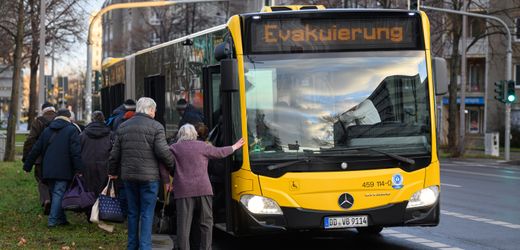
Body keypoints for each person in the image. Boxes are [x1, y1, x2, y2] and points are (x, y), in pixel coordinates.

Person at [109, 97, 174, 250]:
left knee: (132, 212)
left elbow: (114, 154)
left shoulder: (123, 126)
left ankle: (132, 246)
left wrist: (112, 172)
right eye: (154, 110)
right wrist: (173, 167)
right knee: (146, 213)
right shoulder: (156, 127)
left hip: (129, 177)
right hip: (149, 178)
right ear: (150, 109)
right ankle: (145, 247)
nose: (155, 112)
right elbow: (163, 152)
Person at [170, 124, 244, 250]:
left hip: (184, 191)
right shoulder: (203, 146)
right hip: (203, 189)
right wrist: (234, 146)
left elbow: (163, 161)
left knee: (183, 225)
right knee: (206, 223)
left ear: (180, 135)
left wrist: (167, 180)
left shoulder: (174, 148)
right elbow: (219, 153)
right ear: (195, 134)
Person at [23, 109, 84, 227]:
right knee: (59, 193)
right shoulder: (72, 130)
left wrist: (27, 166)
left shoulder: (47, 130)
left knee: (55, 193)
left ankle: (62, 220)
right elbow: (75, 152)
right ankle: (52, 220)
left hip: (48, 168)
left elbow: (36, 149)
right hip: (64, 168)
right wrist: (79, 169)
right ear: (68, 118)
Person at [22, 102, 57, 215]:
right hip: (57, 157)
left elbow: (30, 140)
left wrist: (26, 157)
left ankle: (46, 200)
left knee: (42, 180)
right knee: (55, 180)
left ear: (43, 111)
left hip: (40, 158)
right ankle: (55, 203)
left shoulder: (38, 121)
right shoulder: (59, 120)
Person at [80, 111, 112, 196]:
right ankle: (101, 208)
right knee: (103, 192)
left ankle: (89, 208)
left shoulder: (83, 134)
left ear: (92, 119)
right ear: (103, 119)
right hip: (105, 166)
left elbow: (78, 150)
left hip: (87, 165)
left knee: (89, 191)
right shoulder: (110, 134)